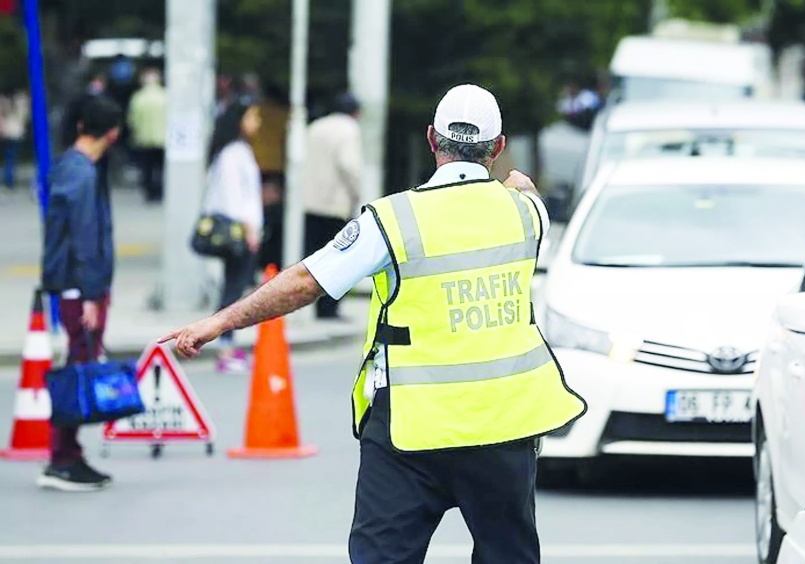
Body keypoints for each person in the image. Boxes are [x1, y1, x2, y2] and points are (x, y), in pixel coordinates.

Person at [161, 83, 587, 562]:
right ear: (499, 147)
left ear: (431, 140)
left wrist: (220, 321)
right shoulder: (528, 214)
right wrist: (517, 183)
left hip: (411, 430)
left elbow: (307, 281)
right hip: (505, 426)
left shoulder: (393, 219)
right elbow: (525, 189)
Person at [39, 96, 123, 492]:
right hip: (80, 288)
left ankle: (69, 454)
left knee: (79, 364)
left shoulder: (69, 166)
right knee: (78, 369)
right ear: (112, 132)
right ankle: (63, 459)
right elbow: (85, 238)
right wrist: (92, 294)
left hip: (74, 285)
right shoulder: (82, 174)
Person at [201, 100, 264, 373]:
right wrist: (250, 229)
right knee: (233, 289)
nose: (257, 122)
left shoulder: (238, 151)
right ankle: (224, 347)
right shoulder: (233, 153)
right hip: (238, 231)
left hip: (243, 230)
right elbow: (234, 197)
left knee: (234, 287)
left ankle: (227, 344)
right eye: (253, 116)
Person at [302, 91, 362, 319]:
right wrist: (356, 193)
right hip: (335, 204)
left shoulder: (315, 127)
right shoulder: (349, 129)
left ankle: (315, 305)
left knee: (314, 256)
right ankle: (329, 308)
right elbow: (349, 165)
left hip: (310, 202)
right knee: (338, 258)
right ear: (355, 112)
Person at [127, 68, 167, 203]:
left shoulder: (138, 98)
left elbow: (133, 120)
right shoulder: (166, 97)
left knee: (147, 168)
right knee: (161, 168)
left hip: (144, 139)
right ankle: (160, 192)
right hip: (163, 138)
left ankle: (150, 193)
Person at [0, 88, 30, 190]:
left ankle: (9, 179)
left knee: (9, 157)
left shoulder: (4, 102)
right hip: (16, 132)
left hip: (7, 131)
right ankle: (10, 179)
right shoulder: (21, 102)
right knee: (12, 157)